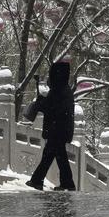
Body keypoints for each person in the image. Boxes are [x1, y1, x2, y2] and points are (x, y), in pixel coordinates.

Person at [25, 58, 76, 191]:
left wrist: (42, 103)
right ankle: (64, 183)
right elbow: (55, 107)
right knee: (57, 157)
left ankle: (38, 180)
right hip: (60, 130)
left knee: (52, 156)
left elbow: (53, 108)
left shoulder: (60, 91)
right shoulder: (64, 90)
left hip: (57, 130)